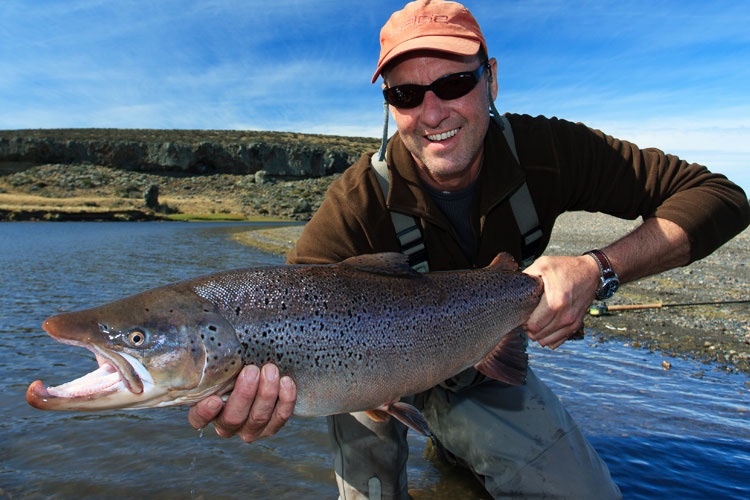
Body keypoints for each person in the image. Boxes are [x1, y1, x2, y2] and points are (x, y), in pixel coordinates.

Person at [188, 0, 750, 498]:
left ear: (492, 80)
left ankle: (457, 441)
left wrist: (597, 269)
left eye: (454, 84)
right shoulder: (356, 201)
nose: (433, 113)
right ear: (390, 105)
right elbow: (286, 310)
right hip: (364, 373)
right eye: (406, 94)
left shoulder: (548, 150)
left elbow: (719, 197)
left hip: (483, 349)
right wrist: (259, 401)